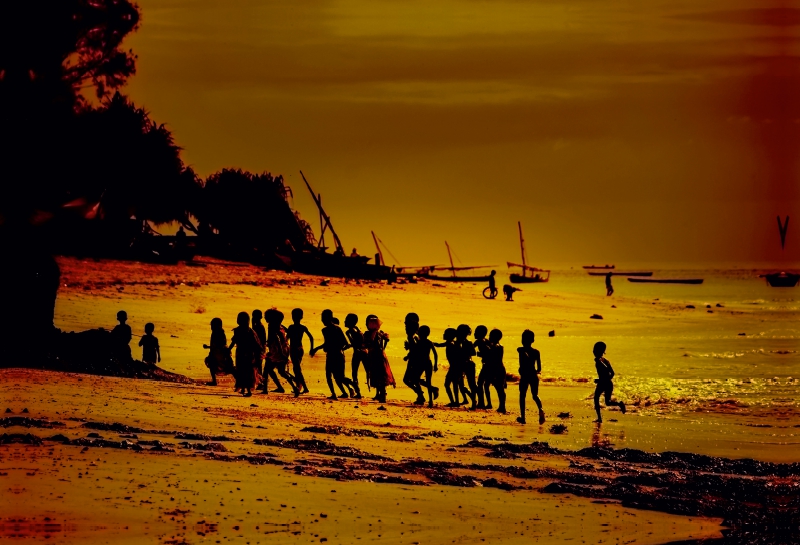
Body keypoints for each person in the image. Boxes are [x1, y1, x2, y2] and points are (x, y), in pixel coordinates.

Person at [310, 309, 356, 399]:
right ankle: (346, 390)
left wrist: (316, 348)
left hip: (332, 355)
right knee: (338, 377)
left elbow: (327, 344)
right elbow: (345, 343)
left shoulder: (325, 330)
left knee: (331, 375)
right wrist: (339, 348)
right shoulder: (337, 328)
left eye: (324, 318)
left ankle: (336, 393)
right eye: (322, 318)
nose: (322, 320)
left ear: (329, 318)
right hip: (339, 354)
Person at [265, 309, 300, 397]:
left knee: (268, 369)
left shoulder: (271, 326)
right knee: (281, 371)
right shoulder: (280, 326)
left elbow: (276, 340)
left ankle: (267, 389)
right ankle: (294, 386)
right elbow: (287, 332)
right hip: (283, 349)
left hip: (277, 351)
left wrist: (281, 353)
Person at [516, 329, 545, 425]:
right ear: (533, 340)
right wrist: (535, 371)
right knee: (535, 395)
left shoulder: (520, 350)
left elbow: (522, 352)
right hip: (533, 375)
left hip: (525, 376)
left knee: (522, 396)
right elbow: (539, 368)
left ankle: (523, 417)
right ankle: (541, 410)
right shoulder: (536, 352)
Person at [592, 341, 626, 423]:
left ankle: (599, 418)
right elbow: (612, 373)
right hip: (608, 383)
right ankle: (619, 404)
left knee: (596, 398)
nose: (593, 352)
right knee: (608, 402)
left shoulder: (599, 361)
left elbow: (606, 369)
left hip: (603, 383)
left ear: (599, 351)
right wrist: (606, 380)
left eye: (595, 350)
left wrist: (601, 380)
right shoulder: (606, 360)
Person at [229, 312, 261, 397]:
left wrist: (228, 349)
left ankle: (247, 390)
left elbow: (233, 342)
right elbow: (256, 345)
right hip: (246, 354)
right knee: (244, 371)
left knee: (244, 372)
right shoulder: (250, 331)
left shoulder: (240, 331)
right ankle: (243, 389)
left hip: (243, 353)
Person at [364, 314, 394, 403]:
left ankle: (382, 395)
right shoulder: (378, 333)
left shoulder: (374, 333)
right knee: (379, 375)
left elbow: (368, 343)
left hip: (376, 357)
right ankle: (380, 394)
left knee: (380, 375)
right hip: (378, 356)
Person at [435, 328, 463, 407]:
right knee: (453, 384)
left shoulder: (450, 343)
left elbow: (439, 345)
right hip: (455, 367)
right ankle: (455, 401)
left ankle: (454, 402)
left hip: (455, 367)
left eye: (445, 333)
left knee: (448, 384)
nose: (443, 335)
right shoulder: (452, 343)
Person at [286, 308, 312, 394]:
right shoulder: (302, 327)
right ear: (302, 317)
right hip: (300, 349)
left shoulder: (291, 327)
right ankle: (299, 386)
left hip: (294, 349)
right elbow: (311, 338)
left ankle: (304, 387)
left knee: (297, 369)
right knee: (296, 369)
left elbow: (287, 338)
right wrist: (312, 348)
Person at [414, 325, 439, 408]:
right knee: (427, 381)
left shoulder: (421, 342)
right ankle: (430, 401)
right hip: (428, 363)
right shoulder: (428, 342)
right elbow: (435, 354)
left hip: (422, 363)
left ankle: (431, 399)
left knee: (417, 379)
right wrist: (435, 364)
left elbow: (416, 352)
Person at [204, 317, 233, 386]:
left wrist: (208, 347)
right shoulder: (216, 332)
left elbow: (220, 345)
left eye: (213, 326)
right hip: (216, 353)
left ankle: (240, 382)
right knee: (212, 364)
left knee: (230, 368)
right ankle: (214, 381)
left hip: (221, 354)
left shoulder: (219, 333)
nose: (211, 327)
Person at [455, 324, 478, 410]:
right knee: (460, 384)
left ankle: (474, 402)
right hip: (461, 364)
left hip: (468, 364)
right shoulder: (457, 343)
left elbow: (473, 353)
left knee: (471, 384)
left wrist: (463, 351)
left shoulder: (468, 343)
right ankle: (472, 399)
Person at [485, 329, 507, 414]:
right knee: (487, 385)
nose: (489, 337)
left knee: (499, 388)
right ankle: (493, 404)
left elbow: (494, 358)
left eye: (491, 336)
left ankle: (502, 406)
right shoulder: (495, 345)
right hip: (496, 368)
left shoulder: (497, 346)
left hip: (497, 369)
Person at [344, 314, 366, 399]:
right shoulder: (356, 329)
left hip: (357, 353)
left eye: (346, 320)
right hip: (363, 352)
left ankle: (358, 392)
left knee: (354, 373)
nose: (345, 321)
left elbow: (354, 343)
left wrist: (348, 336)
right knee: (367, 371)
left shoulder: (351, 331)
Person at [474, 325, 491, 409]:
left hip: (486, 365)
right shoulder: (487, 341)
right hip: (490, 365)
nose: (474, 333)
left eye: (476, 332)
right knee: (486, 384)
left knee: (480, 383)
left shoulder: (479, 341)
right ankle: (488, 403)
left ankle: (481, 402)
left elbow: (471, 350)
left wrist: (478, 354)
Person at [250, 310, 268, 389]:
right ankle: (260, 382)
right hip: (258, 348)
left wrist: (260, 348)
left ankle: (261, 383)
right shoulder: (257, 325)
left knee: (258, 365)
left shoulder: (259, 326)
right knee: (257, 366)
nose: (253, 318)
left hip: (259, 348)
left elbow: (262, 339)